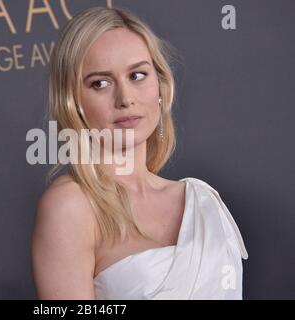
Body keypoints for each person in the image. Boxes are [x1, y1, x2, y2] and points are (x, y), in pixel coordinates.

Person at [30, 6, 248, 300]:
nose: (125, 98)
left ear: (160, 85)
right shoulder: (71, 206)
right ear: (73, 101)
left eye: (137, 75)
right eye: (100, 83)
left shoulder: (203, 200)